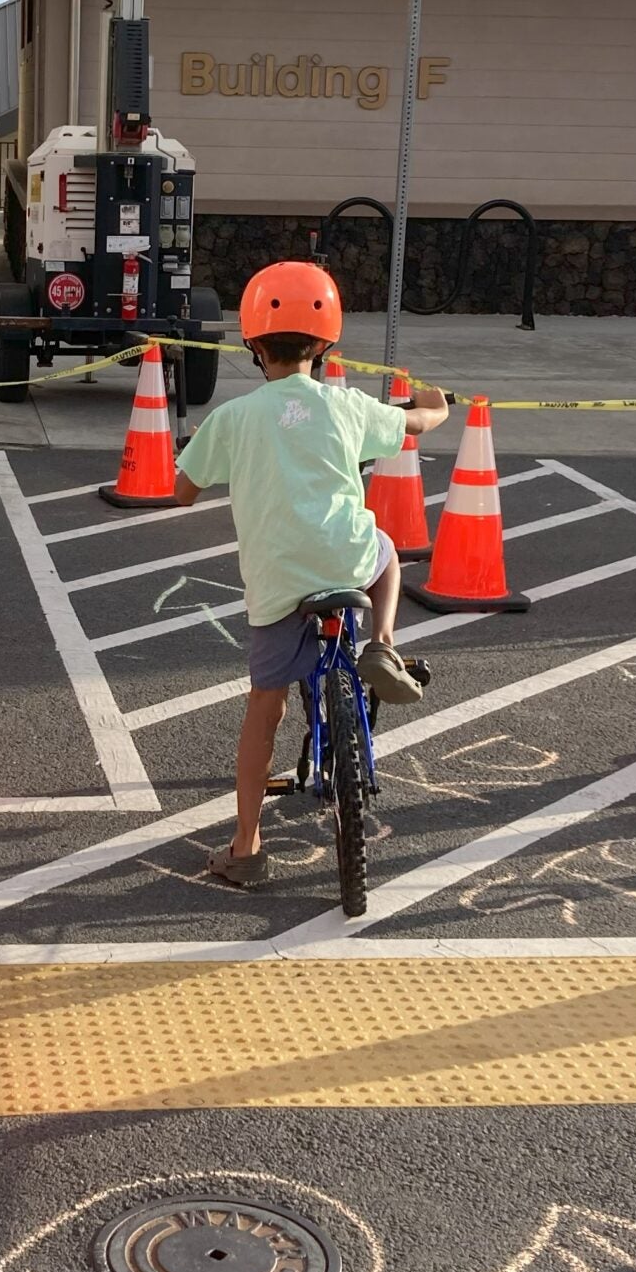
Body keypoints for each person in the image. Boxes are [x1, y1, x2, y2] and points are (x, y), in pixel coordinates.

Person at [172, 260, 449, 890]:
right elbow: (417, 423)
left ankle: (246, 848)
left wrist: (202, 459)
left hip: (275, 584)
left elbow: (182, 491)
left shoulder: (235, 418)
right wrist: (433, 405)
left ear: (252, 340)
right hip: (346, 560)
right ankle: (382, 643)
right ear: (324, 346)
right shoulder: (347, 405)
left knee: (262, 711)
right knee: (383, 548)